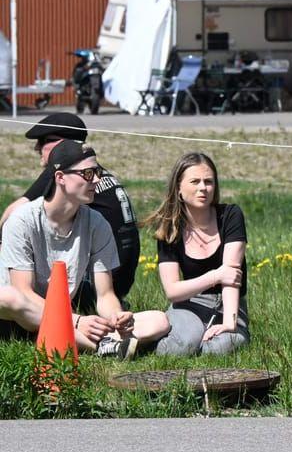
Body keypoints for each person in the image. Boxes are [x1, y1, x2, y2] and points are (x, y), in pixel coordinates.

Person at [0, 141, 168, 354]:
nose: (97, 180)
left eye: (97, 172)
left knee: (159, 320)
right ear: (60, 178)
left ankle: (99, 343)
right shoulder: (22, 220)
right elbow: (23, 292)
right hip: (19, 317)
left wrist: (116, 316)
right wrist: (77, 320)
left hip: (66, 316)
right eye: (88, 173)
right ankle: (97, 346)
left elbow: (105, 294)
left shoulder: (97, 223)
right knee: (8, 297)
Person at [2, 112, 140, 300]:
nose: (36, 147)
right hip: (119, 278)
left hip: (95, 284)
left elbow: (12, 213)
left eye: (43, 141)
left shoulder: (70, 175)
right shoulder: (92, 172)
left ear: (62, 144)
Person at [145, 152, 249, 357]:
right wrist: (215, 276)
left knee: (217, 350)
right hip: (189, 303)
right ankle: (144, 342)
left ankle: (209, 341)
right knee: (182, 346)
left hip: (229, 303)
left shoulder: (230, 215)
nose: (203, 188)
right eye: (195, 181)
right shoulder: (169, 228)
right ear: (179, 189)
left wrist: (229, 323)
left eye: (209, 182)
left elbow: (231, 278)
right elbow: (172, 291)